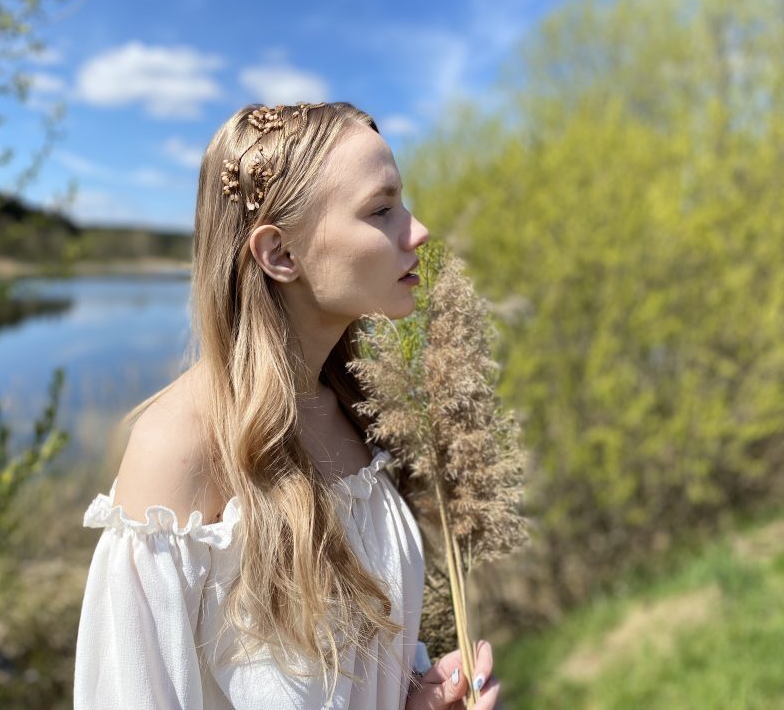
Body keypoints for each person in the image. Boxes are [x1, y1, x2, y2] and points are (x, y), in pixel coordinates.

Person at [74, 102, 502, 709]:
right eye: (381, 210)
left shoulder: (357, 412)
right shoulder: (179, 449)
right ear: (280, 254)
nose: (418, 230)